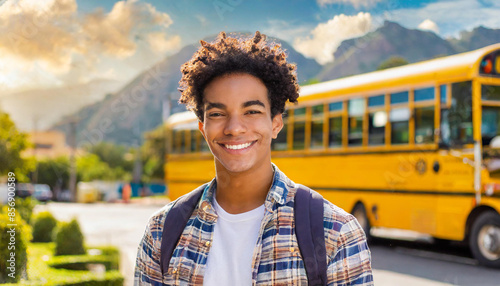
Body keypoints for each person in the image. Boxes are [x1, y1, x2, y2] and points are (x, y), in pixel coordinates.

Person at [134, 31, 373, 285]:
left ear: (276, 124)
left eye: (252, 111)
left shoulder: (335, 233)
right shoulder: (162, 232)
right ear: (203, 128)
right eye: (217, 113)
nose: (234, 128)